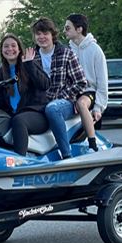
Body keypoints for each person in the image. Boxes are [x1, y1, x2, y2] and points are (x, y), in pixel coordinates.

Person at [29, 18, 86, 160]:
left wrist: (60, 96)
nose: (42, 37)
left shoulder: (66, 53)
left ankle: (66, 155)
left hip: (65, 102)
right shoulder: (31, 56)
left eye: (45, 33)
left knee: (52, 109)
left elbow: (81, 82)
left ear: (52, 35)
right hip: (40, 101)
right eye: (38, 34)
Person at [0, 34, 51, 156]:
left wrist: (29, 64)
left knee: (18, 120)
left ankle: (20, 160)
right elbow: (0, 98)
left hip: (37, 113)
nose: (10, 49)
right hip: (15, 113)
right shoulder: (2, 72)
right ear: (2, 51)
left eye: (13, 46)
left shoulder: (29, 63)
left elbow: (45, 84)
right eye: (6, 46)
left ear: (19, 49)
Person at [64, 14, 107, 152]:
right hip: (72, 91)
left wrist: (98, 107)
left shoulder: (95, 50)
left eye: (67, 28)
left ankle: (92, 145)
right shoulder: (67, 50)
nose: (65, 31)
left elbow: (102, 82)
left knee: (81, 104)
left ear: (79, 29)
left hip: (89, 92)